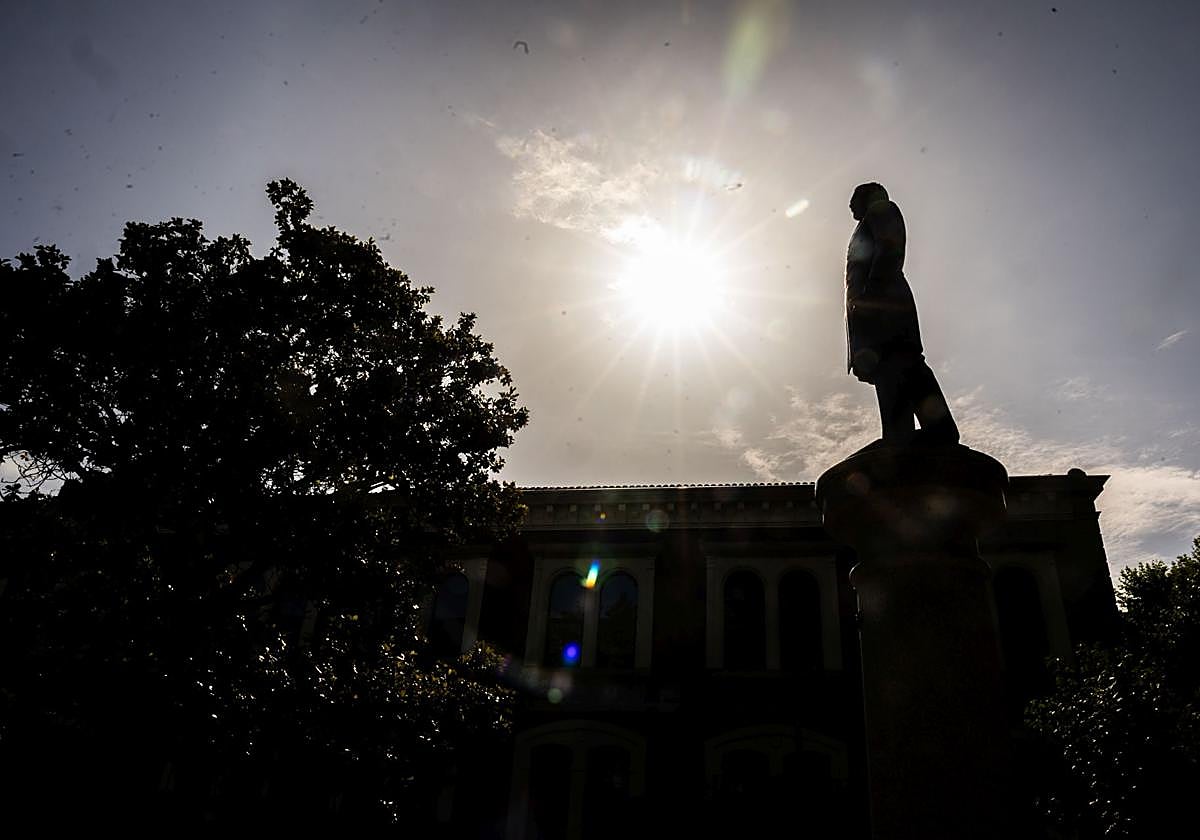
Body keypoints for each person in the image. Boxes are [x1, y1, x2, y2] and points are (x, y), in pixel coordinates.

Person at [845, 182, 959, 445]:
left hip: (885, 310)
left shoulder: (881, 210)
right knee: (897, 368)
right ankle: (920, 432)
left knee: (897, 365)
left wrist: (871, 300)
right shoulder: (867, 223)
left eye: (853, 198)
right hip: (877, 313)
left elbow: (889, 249)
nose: (850, 206)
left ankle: (913, 435)